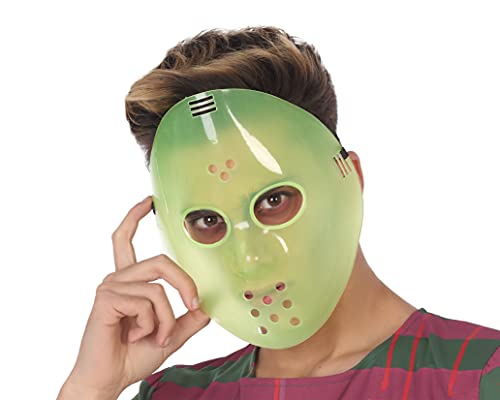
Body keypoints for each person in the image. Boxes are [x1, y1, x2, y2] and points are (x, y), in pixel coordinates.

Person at [57, 26, 500, 400]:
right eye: (208, 221)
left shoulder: (478, 375)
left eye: (274, 201)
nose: (249, 257)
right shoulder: (175, 394)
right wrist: (92, 387)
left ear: (350, 178)